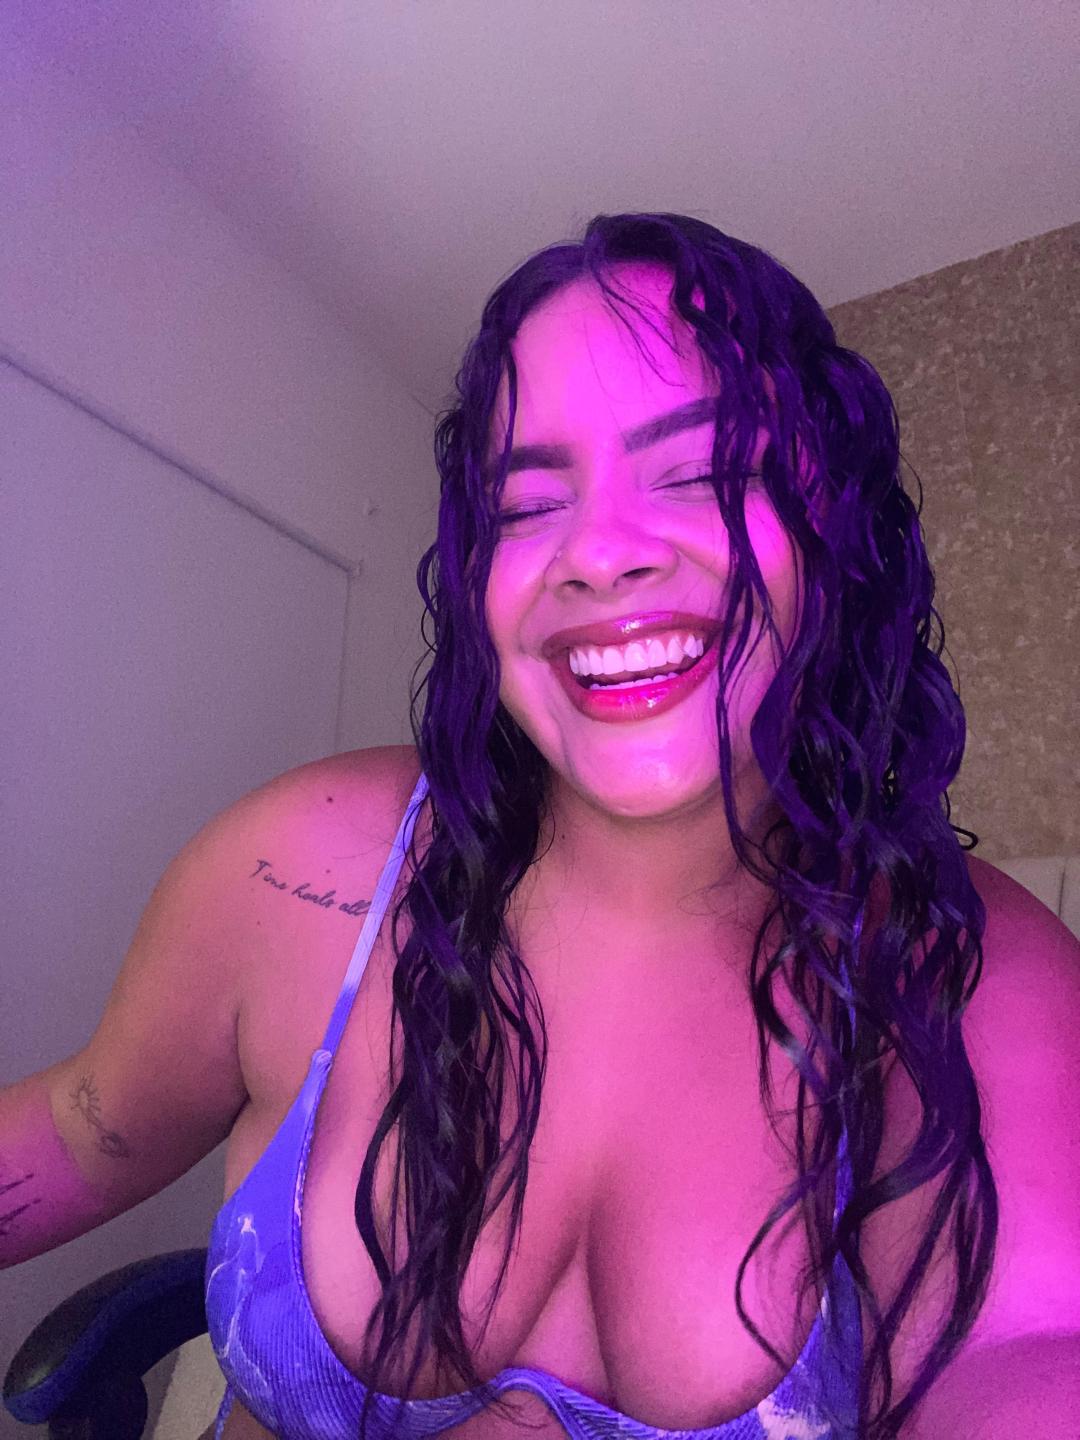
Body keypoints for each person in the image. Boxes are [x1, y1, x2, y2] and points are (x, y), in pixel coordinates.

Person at [4, 212, 1078, 1440]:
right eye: (527, 504)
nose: (599, 555)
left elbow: (1037, 1353)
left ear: (837, 533)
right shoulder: (298, 867)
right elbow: (81, 1133)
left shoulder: (974, 985)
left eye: (700, 473)